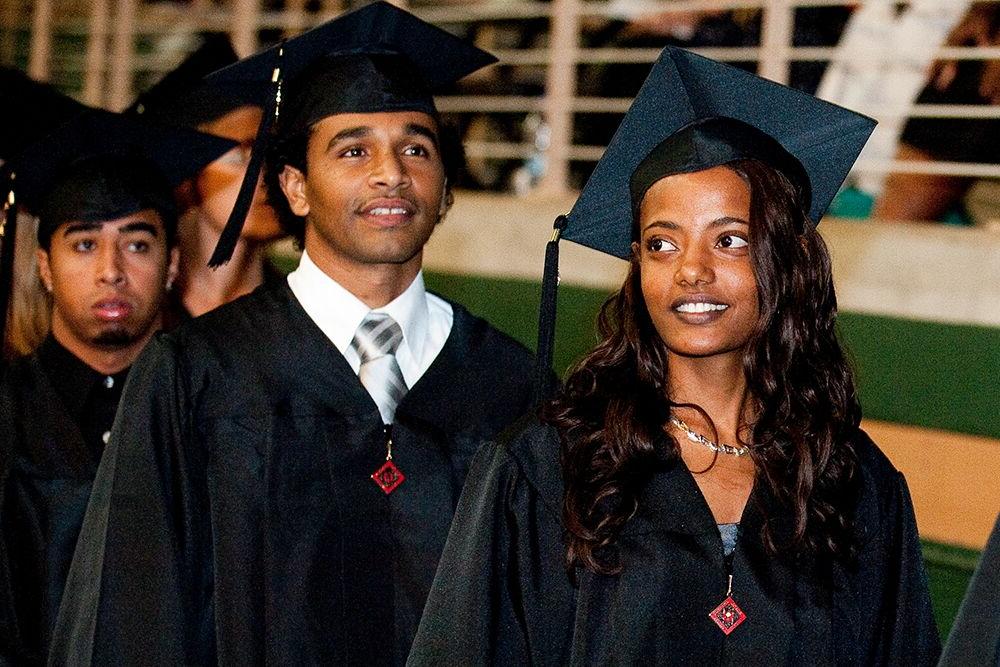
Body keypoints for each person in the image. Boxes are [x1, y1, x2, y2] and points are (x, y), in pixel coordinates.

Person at [409, 47, 940, 665]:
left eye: (730, 240)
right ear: (637, 265)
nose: (692, 270)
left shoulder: (852, 481)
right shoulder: (548, 467)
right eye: (662, 244)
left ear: (787, 263)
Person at [50, 4, 539, 664]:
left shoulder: (512, 385)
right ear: (295, 186)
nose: (390, 172)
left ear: (444, 183)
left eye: (416, 148)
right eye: (354, 149)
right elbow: (135, 615)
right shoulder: (198, 373)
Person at [0, 109, 234, 664]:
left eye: (137, 244)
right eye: (83, 245)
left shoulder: (220, 421)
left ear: (174, 263)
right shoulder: (6, 415)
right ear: (45, 268)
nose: (111, 270)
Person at [127, 33, 285, 324]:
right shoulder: (141, 313)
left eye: (273, 153)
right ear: (188, 172)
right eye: (241, 155)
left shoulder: (296, 314)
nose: (264, 175)